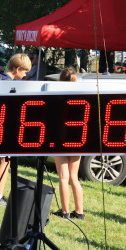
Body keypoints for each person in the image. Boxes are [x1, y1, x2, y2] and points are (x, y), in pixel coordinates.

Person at [0, 53, 32, 204]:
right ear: (17, 69)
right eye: (24, 72)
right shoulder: (10, 85)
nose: (25, 75)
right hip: (2, 129)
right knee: (5, 161)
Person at [52, 67, 85, 220]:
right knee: (74, 177)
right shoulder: (82, 96)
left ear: (61, 80)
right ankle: (79, 212)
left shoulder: (58, 96)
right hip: (78, 138)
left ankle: (65, 212)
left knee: (63, 176)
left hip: (61, 138)